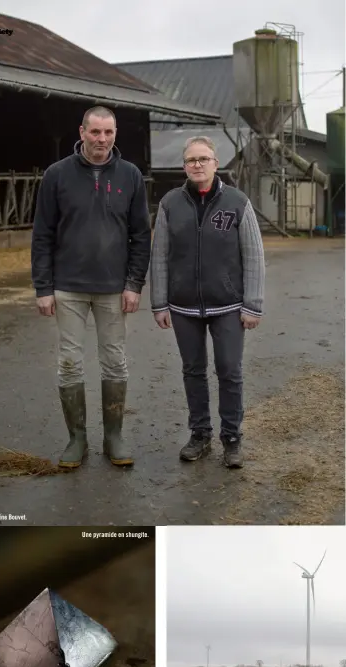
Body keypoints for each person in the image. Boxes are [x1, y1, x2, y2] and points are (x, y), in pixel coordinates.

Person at [31, 105, 151, 468]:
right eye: (95, 132)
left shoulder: (130, 175)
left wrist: (134, 284)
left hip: (113, 288)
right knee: (70, 363)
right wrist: (43, 287)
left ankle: (113, 437)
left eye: (108, 133)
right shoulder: (57, 175)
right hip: (67, 287)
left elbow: (140, 235)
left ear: (115, 134)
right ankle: (77, 439)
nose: (102, 139)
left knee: (114, 362)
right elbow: (42, 234)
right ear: (81, 132)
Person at [150, 136, 265, 468]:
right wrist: (159, 302)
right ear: (184, 166)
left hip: (228, 305)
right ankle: (200, 434)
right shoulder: (171, 204)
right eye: (191, 160)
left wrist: (252, 304)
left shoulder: (237, 202)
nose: (197, 165)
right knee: (193, 370)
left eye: (203, 159)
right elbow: (160, 256)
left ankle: (231, 438)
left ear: (216, 163)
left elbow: (254, 256)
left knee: (229, 370)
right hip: (183, 305)